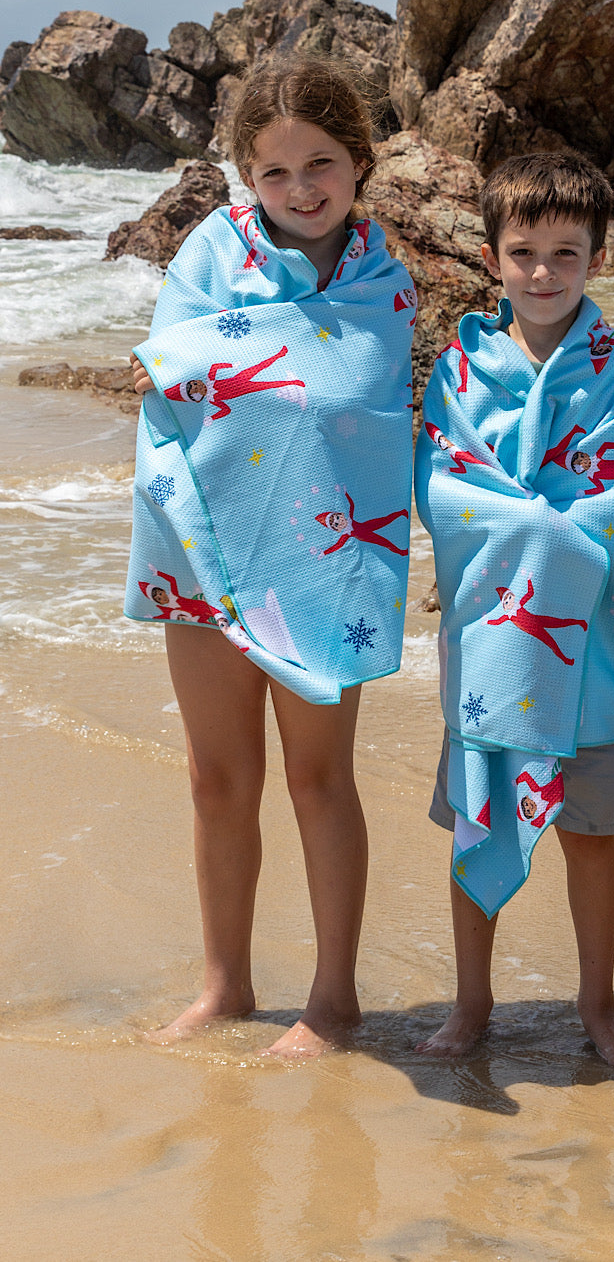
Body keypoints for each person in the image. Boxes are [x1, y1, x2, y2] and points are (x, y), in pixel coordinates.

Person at [125, 57, 414, 1056]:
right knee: (216, 777)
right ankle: (224, 987)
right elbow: (172, 379)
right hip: (202, 547)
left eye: (321, 164)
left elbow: (364, 413)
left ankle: (333, 1001)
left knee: (318, 781)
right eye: (275, 171)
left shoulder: (382, 281)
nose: (301, 189)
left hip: (325, 557)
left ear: (361, 162)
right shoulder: (205, 259)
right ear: (245, 174)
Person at [414, 153, 614, 1067]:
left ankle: (597, 1003)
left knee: (591, 834)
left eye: (567, 252)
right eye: (524, 251)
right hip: (491, 642)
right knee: (478, 819)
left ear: (598, 257)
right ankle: (471, 1002)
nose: (544, 272)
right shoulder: (461, 366)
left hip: (588, 649)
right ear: (491, 256)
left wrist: (532, 528)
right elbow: (444, 488)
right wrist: (540, 526)